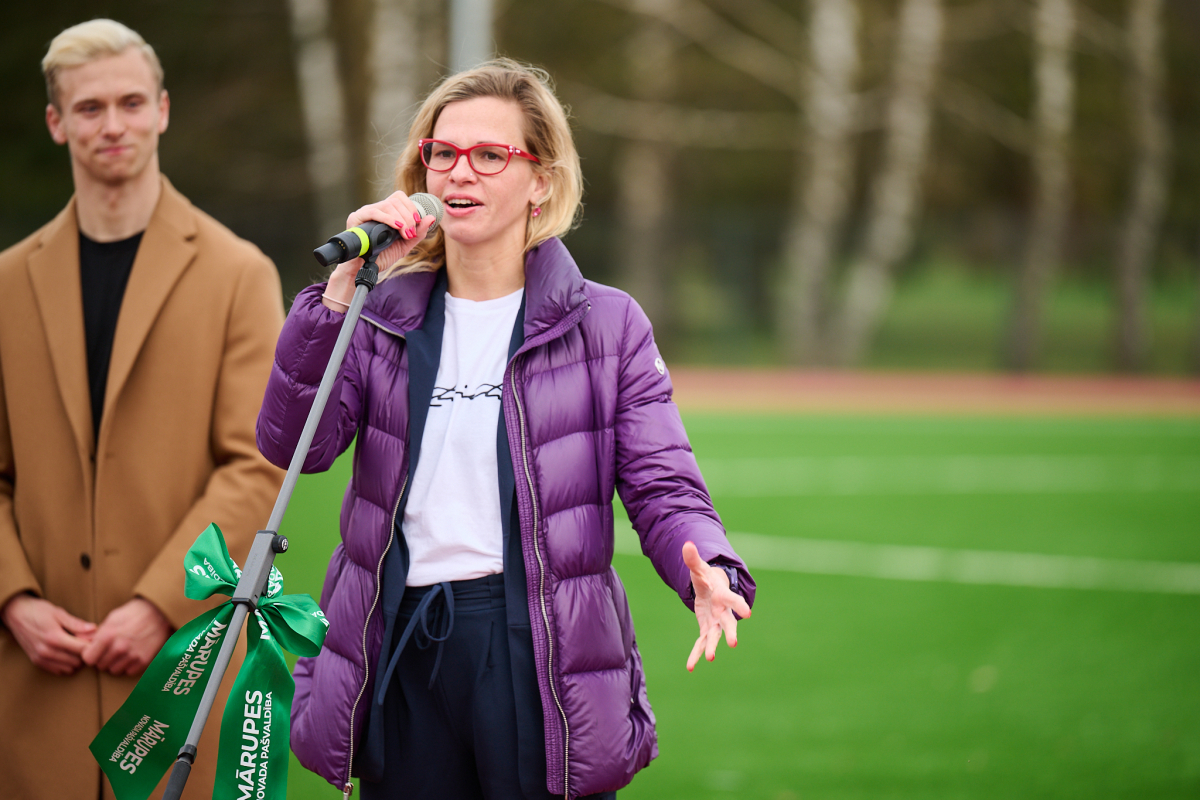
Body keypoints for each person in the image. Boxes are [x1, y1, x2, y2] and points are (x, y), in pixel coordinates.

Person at [256, 59, 755, 799]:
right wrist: (338, 296)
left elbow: (660, 478)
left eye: (491, 155)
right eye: (444, 153)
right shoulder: (379, 314)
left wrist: (709, 566)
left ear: (542, 180)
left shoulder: (606, 323)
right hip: (400, 637)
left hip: (534, 647)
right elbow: (295, 444)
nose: (462, 173)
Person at [0, 19, 286, 800]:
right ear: (57, 124)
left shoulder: (240, 274)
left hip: (178, 677)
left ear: (162, 109)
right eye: (89, 108)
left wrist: (159, 603)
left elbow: (257, 462)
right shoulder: (5, 285)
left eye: (131, 102)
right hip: (32, 687)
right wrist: (12, 598)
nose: (114, 125)